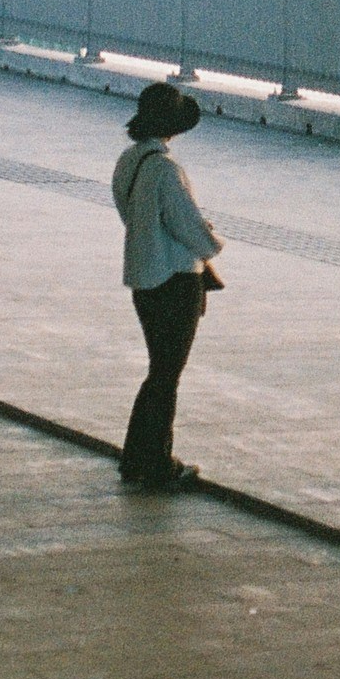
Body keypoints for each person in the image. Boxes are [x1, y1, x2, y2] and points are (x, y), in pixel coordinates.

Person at [111, 83, 221, 492]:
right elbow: (189, 227)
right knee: (166, 376)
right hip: (176, 282)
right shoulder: (166, 169)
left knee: (159, 372)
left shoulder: (129, 161)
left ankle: (135, 457)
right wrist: (213, 241)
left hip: (142, 278)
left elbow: (133, 215)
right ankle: (157, 461)